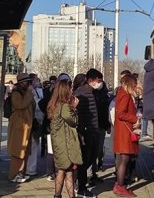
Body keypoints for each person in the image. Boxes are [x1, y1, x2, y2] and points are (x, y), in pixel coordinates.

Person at [47, 79, 82, 198]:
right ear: (66, 90)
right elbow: (73, 121)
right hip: (65, 144)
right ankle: (64, 195)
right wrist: (74, 108)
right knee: (66, 171)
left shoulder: (54, 104)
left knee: (64, 170)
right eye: (70, 88)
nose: (72, 90)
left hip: (58, 142)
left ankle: (60, 195)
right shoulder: (65, 106)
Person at [74, 68, 104, 197]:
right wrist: (81, 130)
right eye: (98, 81)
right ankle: (81, 187)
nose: (100, 83)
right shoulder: (82, 93)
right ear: (90, 80)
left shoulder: (93, 92)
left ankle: (79, 182)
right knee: (85, 159)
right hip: (86, 131)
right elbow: (78, 114)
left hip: (93, 130)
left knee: (92, 157)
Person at [112, 74, 140, 197]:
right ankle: (120, 186)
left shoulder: (122, 93)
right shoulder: (125, 95)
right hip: (125, 132)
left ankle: (119, 184)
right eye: (134, 84)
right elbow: (121, 114)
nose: (136, 86)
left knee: (124, 159)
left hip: (124, 131)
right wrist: (135, 119)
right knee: (124, 159)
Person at [7, 73, 34, 183]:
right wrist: (29, 93)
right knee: (17, 151)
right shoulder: (16, 93)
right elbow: (20, 105)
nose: (28, 84)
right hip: (19, 125)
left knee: (25, 151)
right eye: (26, 82)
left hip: (26, 125)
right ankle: (14, 174)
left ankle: (21, 172)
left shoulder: (25, 92)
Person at [91, 77, 111, 185]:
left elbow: (106, 112)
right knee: (94, 151)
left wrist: (107, 125)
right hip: (95, 126)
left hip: (101, 126)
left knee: (98, 149)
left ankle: (96, 169)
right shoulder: (92, 94)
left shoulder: (104, 96)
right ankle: (93, 172)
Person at [26, 73, 45, 176]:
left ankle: (30, 168)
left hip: (36, 119)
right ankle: (30, 169)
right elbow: (36, 105)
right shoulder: (30, 90)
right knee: (32, 145)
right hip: (33, 120)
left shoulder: (35, 90)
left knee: (34, 145)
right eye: (36, 79)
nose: (38, 81)